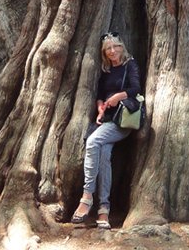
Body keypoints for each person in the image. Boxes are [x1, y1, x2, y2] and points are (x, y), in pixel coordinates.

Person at [71, 32, 141, 230]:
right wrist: (101, 107)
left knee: (93, 142)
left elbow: (136, 88)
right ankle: (104, 209)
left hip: (122, 122)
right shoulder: (106, 70)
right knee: (103, 156)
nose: (112, 51)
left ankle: (86, 197)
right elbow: (101, 94)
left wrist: (118, 96)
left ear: (121, 47)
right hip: (106, 120)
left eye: (115, 46)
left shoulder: (130, 65)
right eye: (108, 49)